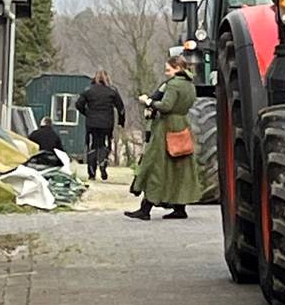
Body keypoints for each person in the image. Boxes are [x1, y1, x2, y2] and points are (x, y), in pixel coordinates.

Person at [126, 53, 211, 220]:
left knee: (155, 166)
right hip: (183, 127)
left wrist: (148, 102)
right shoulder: (190, 85)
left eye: (168, 69)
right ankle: (180, 208)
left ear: (178, 69)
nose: (166, 73)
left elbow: (166, 106)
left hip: (166, 128)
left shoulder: (173, 85)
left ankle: (145, 209)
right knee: (180, 169)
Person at [77, 70, 128, 180]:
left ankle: (91, 172)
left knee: (92, 145)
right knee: (105, 144)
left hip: (91, 123)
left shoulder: (88, 91)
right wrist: (121, 122)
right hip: (106, 123)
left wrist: (86, 113)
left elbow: (78, 104)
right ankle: (103, 164)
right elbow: (121, 108)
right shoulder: (112, 91)